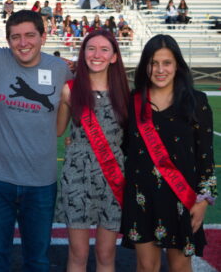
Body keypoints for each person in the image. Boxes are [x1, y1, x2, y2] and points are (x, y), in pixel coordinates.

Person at [0, 10, 72, 271]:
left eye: (29, 35)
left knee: (38, 260)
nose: (23, 43)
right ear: (8, 39)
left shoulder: (60, 69)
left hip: (40, 183)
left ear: (43, 37)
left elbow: (61, 127)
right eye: (15, 37)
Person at [121, 34, 216, 272]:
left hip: (182, 198)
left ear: (177, 66)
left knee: (181, 266)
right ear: (145, 66)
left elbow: (206, 157)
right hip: (141, 196)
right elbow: (122, 147)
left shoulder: (197, 101)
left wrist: (204, 200)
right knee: (146, 266)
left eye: (167, 63)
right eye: (154, 63)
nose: (160, 69)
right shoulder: (132, 101)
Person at [56, 30, 130, 272]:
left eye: (104, 49)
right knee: (78, 253)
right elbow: (57, 131)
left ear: (114, 57)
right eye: (91, 48)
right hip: (77, 177)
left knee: (106, 253)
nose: (96, 54)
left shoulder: (126, 94)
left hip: (112, 179)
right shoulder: (69, 89)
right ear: (83, 52)